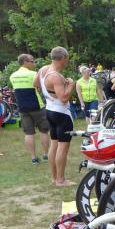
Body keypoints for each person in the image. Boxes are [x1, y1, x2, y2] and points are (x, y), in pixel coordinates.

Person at [36, 46, 75, 186]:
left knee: (54, 145)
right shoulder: (55, 76)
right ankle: (60, 179)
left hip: (50, 110)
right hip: (61, 113)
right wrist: (70, 85)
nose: (67, 62)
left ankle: (54, 177)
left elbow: (36, 84)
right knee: (63, 147)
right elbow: (64, 98)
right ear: (63, 58)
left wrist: (49, 93)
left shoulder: (43, 70)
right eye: (67, 59)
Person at [10, 54, 50, 164]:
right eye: (32, 61)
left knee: (28, 133)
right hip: (37, 106)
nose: (33, 63)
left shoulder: (13, 76)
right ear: (25, 62)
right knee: (44, 131)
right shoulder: (33, 74)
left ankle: (33, 158)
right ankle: (46, 155)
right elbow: (41, 88)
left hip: (23, 107)